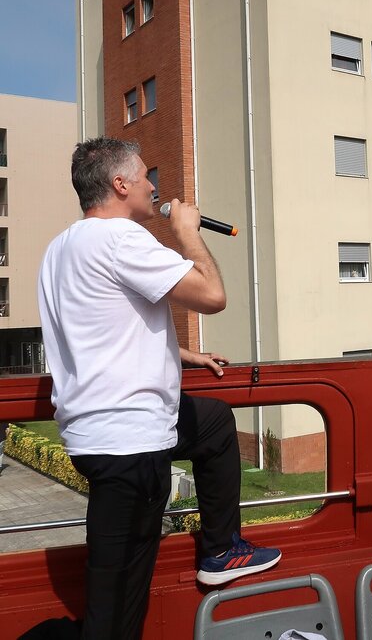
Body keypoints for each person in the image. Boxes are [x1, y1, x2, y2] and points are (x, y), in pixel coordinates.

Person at [37, 138, 281, 639]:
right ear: (119, 184)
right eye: (145, 176)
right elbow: (212, 296)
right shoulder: (122, 240)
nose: (154, 186)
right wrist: (186, 233)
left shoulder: (61, 247)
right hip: (129, 447)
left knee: (212, 422)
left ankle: (220, 548)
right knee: (115, 616)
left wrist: (182, 355)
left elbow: (100, 328)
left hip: (97, 434)